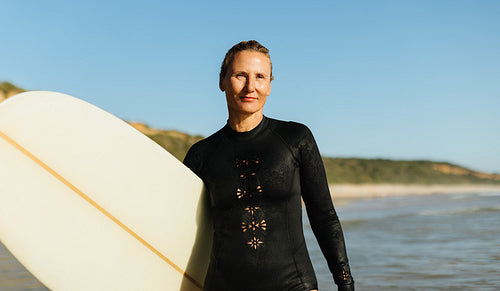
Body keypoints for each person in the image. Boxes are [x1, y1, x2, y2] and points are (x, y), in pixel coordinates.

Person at [183, 40, 354, 291]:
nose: (250, 87)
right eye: (241, 75)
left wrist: (345, 282)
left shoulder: (296, 139)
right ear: (222, 81)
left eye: (260, 77)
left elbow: (323, 216)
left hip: (294, 285)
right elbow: (183, 227)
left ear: (270, 85)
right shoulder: (202, 155)